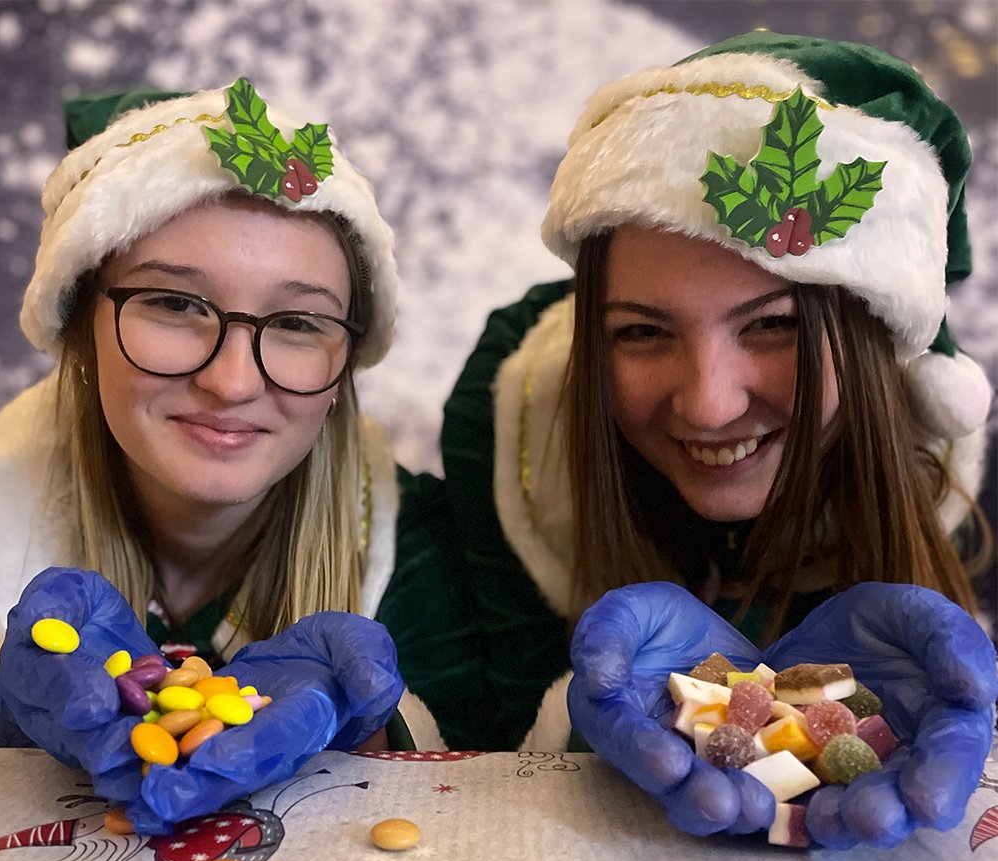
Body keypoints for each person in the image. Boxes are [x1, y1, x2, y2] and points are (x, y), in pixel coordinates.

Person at [376, 32, 995, 755]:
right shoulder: (511, 417)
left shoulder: (951, 466)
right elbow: (510, 746)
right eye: (641, 333)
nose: (708, 406)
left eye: (772, 325)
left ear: (875, 337)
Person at [0, 77, 428, 765]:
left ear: (345, 366)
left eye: (297, 322)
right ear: (79, 330)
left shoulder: (428, 561)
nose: (232, 382)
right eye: (176, 304)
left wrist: (379, 738)